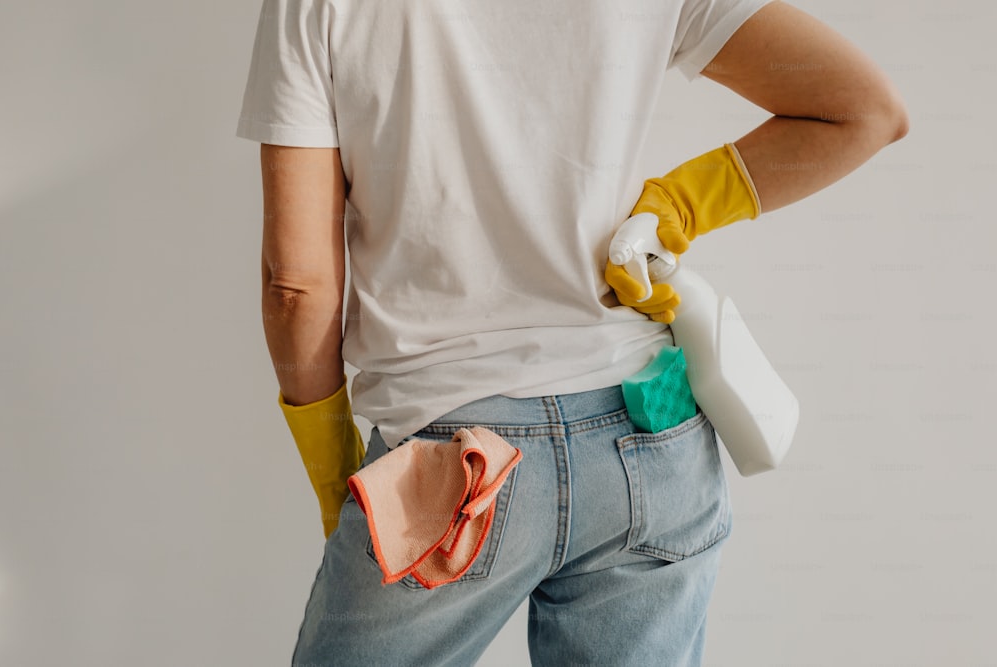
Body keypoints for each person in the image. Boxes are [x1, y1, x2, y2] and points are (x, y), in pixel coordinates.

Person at [235, 0, 908, 664]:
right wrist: (680, 203)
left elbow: (296, 286)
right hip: (649, 439)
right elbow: (862, 110)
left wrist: (334, 479)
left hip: (451, 468)